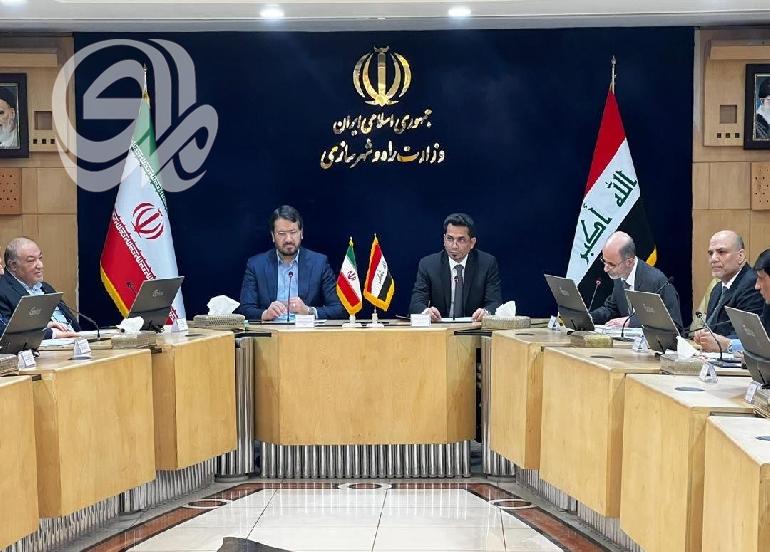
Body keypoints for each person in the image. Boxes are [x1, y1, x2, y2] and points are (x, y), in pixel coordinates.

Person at [238, 205, 345, 321]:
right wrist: (265, 314)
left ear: (301, 233)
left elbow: (338, 308)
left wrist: (308, 311)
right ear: (273, 236)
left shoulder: (319, 263)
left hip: (306, 331)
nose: (288, 239)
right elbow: (245, 308)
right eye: (282, 233)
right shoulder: (256, 265)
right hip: (271, 330)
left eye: (293, 232)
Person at [409, 212, 502, 322]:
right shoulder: (428, 265)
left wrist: (486, 312)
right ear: (444, 240)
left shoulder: (487, 264)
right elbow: (416, 303)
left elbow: (495, 303)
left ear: (472, 243)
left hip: (473, 327)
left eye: (461, 240)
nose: (454, 246)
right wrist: (426, 312)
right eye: (450, 239)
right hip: (439, 327)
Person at [590, 231, 683, 330]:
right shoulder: (619, 276)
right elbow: (611, 308)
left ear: (629, 262)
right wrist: (590, 317)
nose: (605, 269)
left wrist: (631, 322)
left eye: (611, 264)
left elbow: (674, 323)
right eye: (604, 261)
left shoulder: (656, 280)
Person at [693, 230, 764, 351]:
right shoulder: (717, 289)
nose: (713, 259)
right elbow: (713, 330)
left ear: (740, 256)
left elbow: (750, 338)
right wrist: (704, 335)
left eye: (721, 252)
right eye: (711, 253)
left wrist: (724, 344)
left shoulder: (752, 284)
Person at [0, 237, 80, 339]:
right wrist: (51, 333)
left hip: (74, 340)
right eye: (31, 261)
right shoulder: (3, 290)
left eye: (40, 258)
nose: (40, 265)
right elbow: (7, 332)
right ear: (13, 265)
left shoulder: (45, 287)